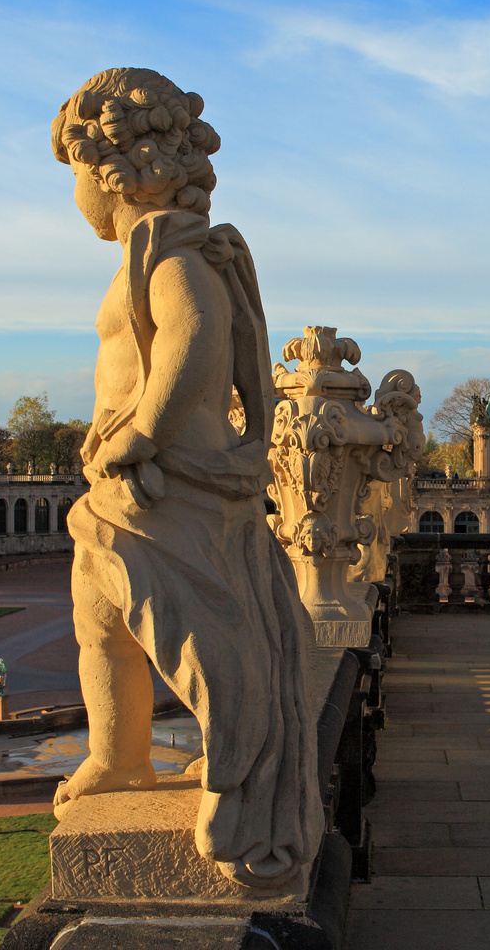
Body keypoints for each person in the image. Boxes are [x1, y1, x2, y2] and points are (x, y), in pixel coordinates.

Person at [51, 68, 321, 892]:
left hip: (171, 481)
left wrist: (137, 433)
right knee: (102, 620)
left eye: (72, 180)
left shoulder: (172, 252)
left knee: (201, 637)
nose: (74, 201)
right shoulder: (155, 251)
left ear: (108, 173)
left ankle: (238, 779)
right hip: (136, 483)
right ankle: (121, 756)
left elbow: (194, 341)